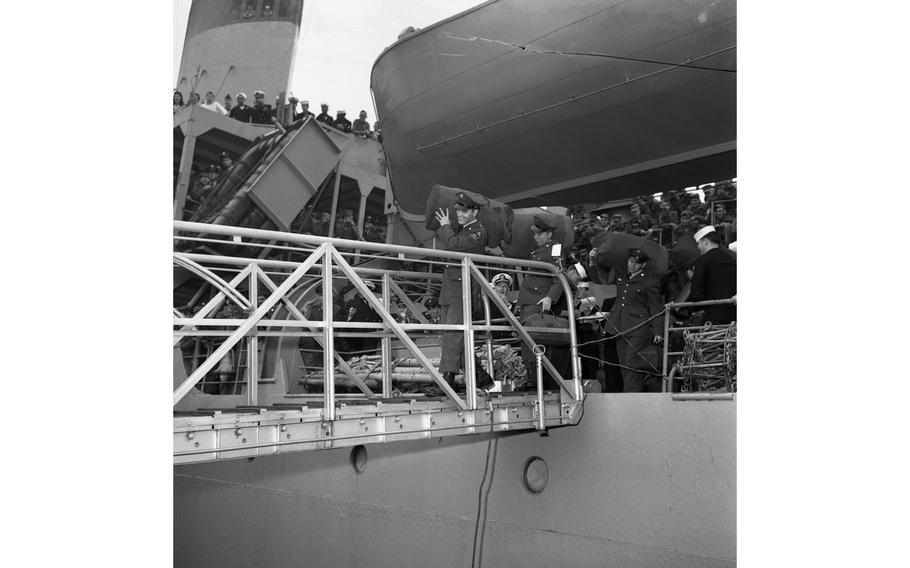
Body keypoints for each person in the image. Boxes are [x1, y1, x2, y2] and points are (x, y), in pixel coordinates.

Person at [433, 192, 494, 391]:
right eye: (458, 210)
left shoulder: (478, 232)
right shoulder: (463, 230)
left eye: (464, 211)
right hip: (452, 288)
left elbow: (454, 246)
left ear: (475, 211)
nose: (459, 214)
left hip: (462, 289)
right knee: (454, 334)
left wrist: (445, 225)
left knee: (454, 333)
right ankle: (480, 376)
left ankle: (447, 380)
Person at [516, 216, 567, 386]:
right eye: (535, 234)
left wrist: (550, 297)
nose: (535, 237)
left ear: (549, 234)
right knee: (527, 339)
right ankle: (530, 376)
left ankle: (534, 378)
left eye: (539, 234)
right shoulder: (538, 250)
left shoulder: (555, 249)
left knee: (533, 338)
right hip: (528, 299)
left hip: (538, 300)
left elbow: (559, 277)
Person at [605, 248, 664, 392]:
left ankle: (629, 398)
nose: (633, 265)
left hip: (639, 328)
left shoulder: (649, 281)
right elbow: (600, 276)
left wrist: (658, 331)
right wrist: (594, 259)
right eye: (631, 261)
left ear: (643, 265)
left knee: (632, 364)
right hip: (619, 326)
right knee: (624, 365)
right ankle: (633, 396)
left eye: (637, 263)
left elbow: (656, 308)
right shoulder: (622, 276)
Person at [690, 225, 737, 324]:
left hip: (712, 316)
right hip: (734, 315)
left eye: (698, 244)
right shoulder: (732, 259)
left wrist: (695, 309)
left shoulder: (702, 260)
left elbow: (696, 291)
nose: (698, 247)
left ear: (705, 241)